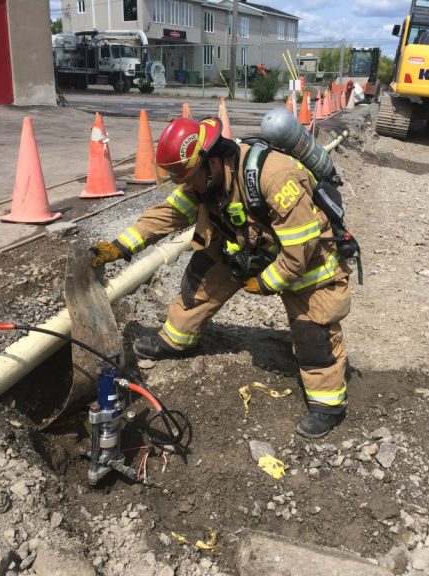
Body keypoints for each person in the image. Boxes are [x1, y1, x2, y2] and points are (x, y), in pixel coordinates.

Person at [90, 116, 353, 439]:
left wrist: (266, 282)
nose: (188, 185)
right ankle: (176, 340)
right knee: (199, 276)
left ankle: (328, 404)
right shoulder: (205, 181)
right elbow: (168, 215)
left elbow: (302, 248)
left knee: (314, 332)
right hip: (250, 245)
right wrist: (119, 246)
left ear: (211, 160)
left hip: (309, 261)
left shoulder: (275, 177)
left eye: (189, 177)